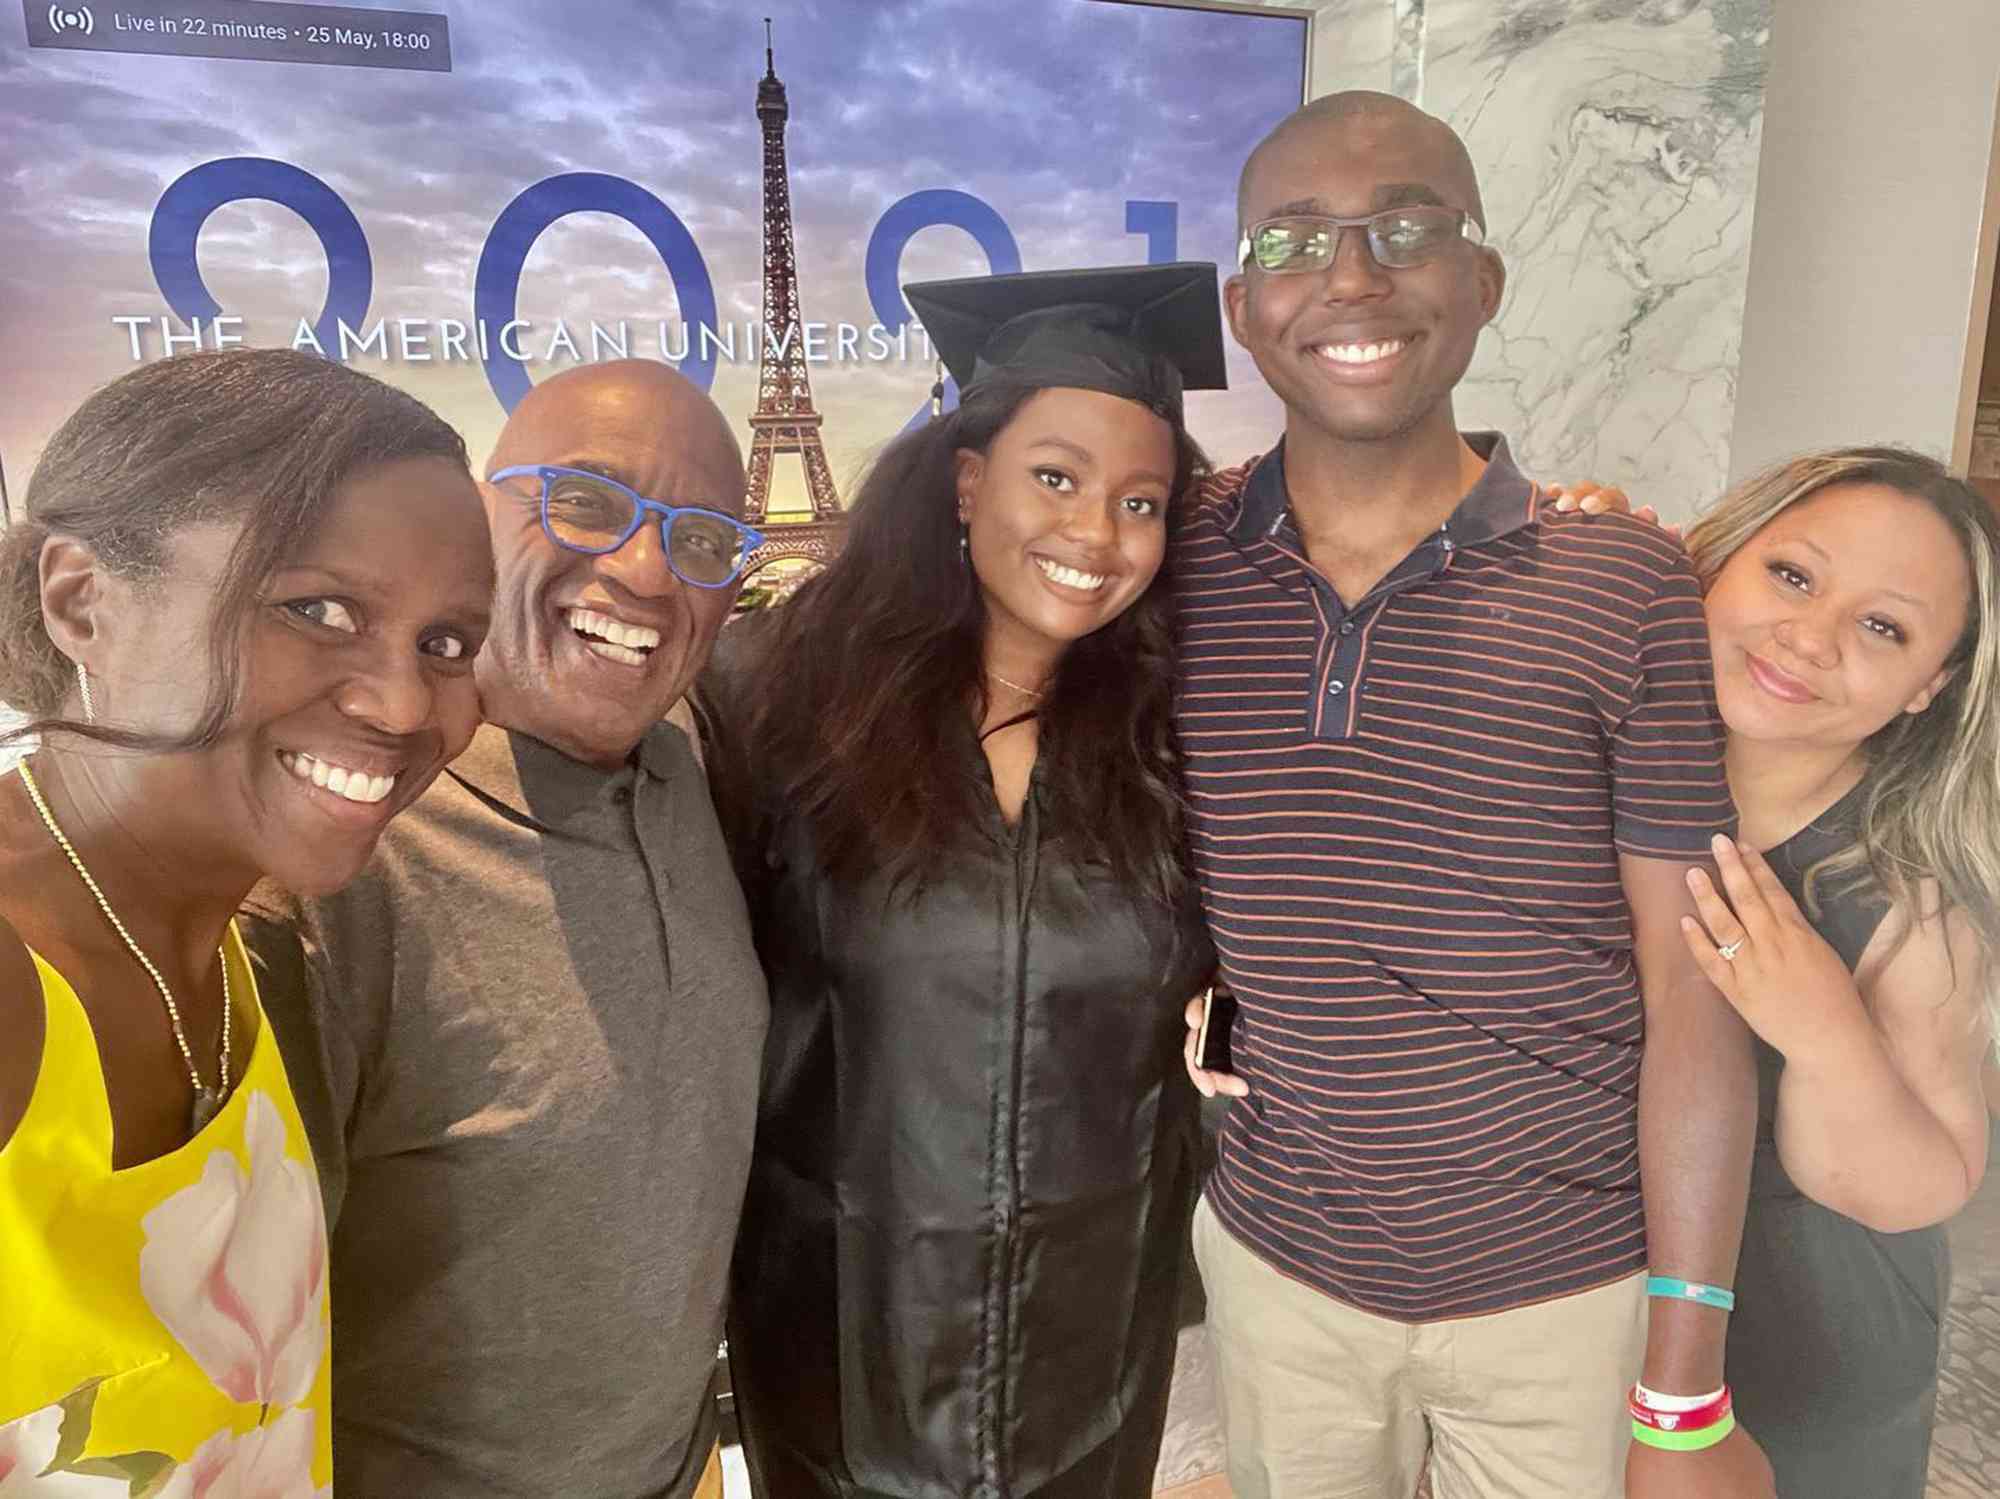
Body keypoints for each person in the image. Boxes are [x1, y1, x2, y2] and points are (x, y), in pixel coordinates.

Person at [1174, 92, 1771, 1499]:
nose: (1355, 276)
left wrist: (1684, 1381)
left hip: (1565, 1289)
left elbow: (1692, 989)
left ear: (1485, 282)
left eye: (1407, 228)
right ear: (1245, 306)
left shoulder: (1624, 578)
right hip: (1281, 1267)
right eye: (1298, 240)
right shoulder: (1175, 561)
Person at [707, 264, 1224, 1497]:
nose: (1096, 535)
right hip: (838, 1332)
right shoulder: (777, 700)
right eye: (1055, 476)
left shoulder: (1182, 734)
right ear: (964, 478)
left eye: (1141, 500)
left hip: (1089, 1339)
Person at [243, 359, 769, 1499]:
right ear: (484, 515)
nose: (642, 569)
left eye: (704, 542)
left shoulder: (688, 772)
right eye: (584, 501)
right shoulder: (341, 859)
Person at [0, 348, 493, 1494]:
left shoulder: (226, 938)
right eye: (317, 610)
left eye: (448, 643)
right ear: (82, 600)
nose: (405, 701)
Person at [1554, 449, 2000, 1495]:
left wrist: (1821, 1029)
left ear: (1924, 688)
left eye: (1880, 626)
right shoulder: (1579, 772)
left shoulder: (1901, 890)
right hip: (1569, 1307)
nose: (1807, 637)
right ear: (1706, 560)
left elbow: (1920, 1186)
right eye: (1791, 576)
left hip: (1800, 1358)